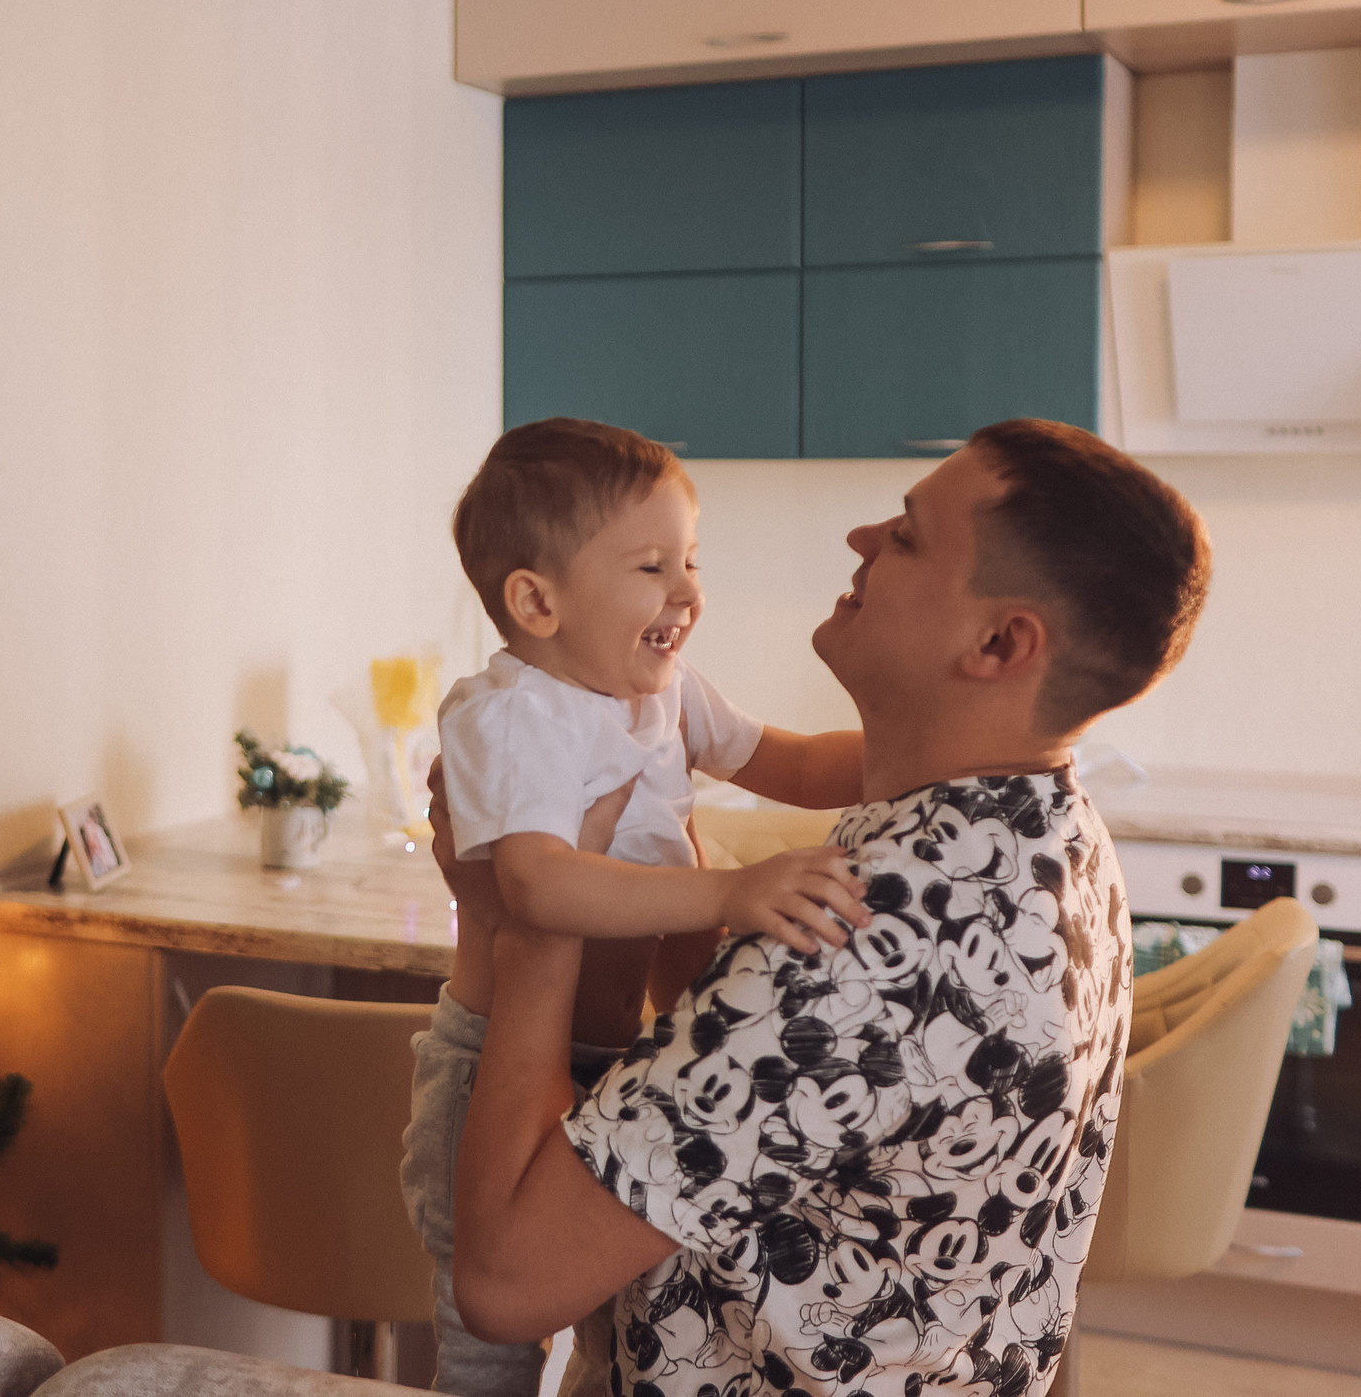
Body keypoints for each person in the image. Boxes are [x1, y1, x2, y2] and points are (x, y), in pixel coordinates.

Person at [443, 418, 1210, 1396]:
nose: (861, 541)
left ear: (999, 641)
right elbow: (761, 1099)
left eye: (906, 534)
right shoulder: (1049, 833)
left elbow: (504, 1286)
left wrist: (525, 929)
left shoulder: (866, 940)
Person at [403, 417, 870, 1396]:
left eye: (690, 560)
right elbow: (536, 885)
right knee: (487, 1348)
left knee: (612, 1323)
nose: (688, 593)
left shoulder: (662, 695)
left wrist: (930, 754)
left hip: (614, 1060)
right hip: (495, 1064)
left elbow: (786, 760)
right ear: (536, 601)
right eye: (652, 567)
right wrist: (730, 889)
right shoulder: (511, 714)